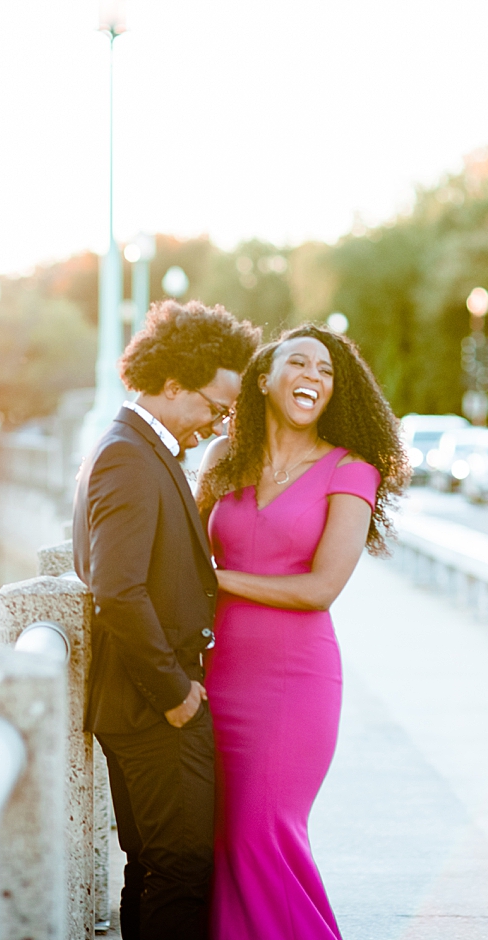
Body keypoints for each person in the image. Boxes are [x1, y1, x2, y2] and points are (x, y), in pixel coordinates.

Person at [195, 324, 408, 940]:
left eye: (327, 371)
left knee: (261, 832)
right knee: (221, 840)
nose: (314, 376)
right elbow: (181, 550)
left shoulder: (351, 470)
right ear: (265, 378)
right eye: (300, 363)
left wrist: (222, 581)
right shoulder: (222, 460)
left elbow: (321, 589)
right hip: (217, 675)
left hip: (294, 681)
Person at [74, 300, 261, 940]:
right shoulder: (130, 457)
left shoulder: (139, 450)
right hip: (150, 706)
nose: (217, 424)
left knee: (156, 868)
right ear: (174, 384)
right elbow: (118, 591)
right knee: (181, 870)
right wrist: (175, 695)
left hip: (143, 703)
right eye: (214, 407)